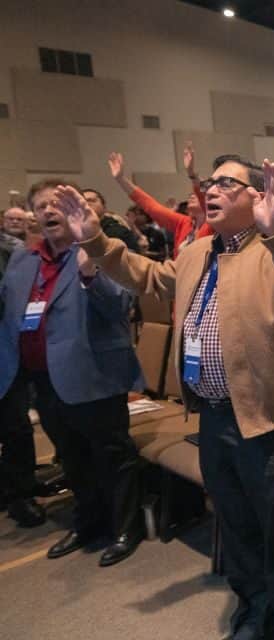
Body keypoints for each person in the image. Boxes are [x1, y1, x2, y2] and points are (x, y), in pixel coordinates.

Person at [59, 155, 274, 640]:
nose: (210, 190)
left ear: (257, 196)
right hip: (212, 417)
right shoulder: (197, 252)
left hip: (268, 422)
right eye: (209, 183)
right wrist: (95, 240)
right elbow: (147, 276)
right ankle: (254, 610)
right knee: (236, 525)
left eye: (225, 183)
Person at [0, 178, 145, 559]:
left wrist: (90, 272)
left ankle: (126, 529)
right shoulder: (23, 259)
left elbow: (120, 308)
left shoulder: (101, 251)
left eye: (58, 203)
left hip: (94, 375)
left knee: (112, 456)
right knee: (72, 458)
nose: (49, 210)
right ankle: (88, 524)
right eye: (41, 205)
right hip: (43, 380)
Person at [109, 149, 213, 258]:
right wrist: (121, 179)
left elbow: (204, 194)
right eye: (190, 194)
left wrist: (192, 174)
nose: (192, 196)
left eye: (195, 194)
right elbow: (150, 205)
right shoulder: (183, 223)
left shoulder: (214, 223)